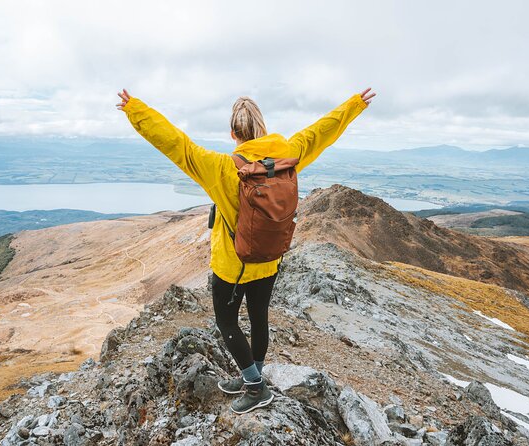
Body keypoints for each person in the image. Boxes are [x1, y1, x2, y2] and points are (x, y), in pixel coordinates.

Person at [116, 86, 375, 414]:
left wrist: (135, 110)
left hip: (233, 265)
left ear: (232, 132)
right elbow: (320, 132)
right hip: (269, 260)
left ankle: (255, 386)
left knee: (227, 323)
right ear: (262, 127)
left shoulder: (222, 168)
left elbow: (175, 143)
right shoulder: (287, 155)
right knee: (258, 318)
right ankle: (251, 374)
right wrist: (354, 104)